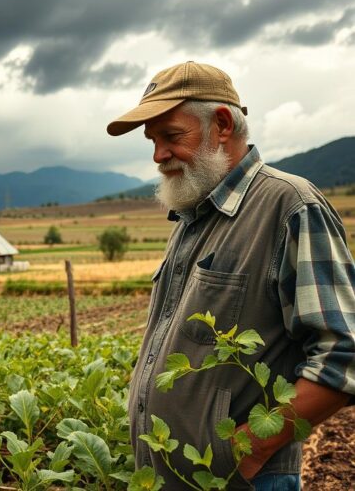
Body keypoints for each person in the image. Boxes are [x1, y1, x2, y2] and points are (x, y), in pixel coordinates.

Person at [106, 61, 355, 490]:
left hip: (243, 481)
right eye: (153, 141)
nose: (158, 155)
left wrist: (252, 448)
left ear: (221, 124)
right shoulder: (193, 215)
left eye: (171, 136)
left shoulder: (289, 206)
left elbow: (344, 353)